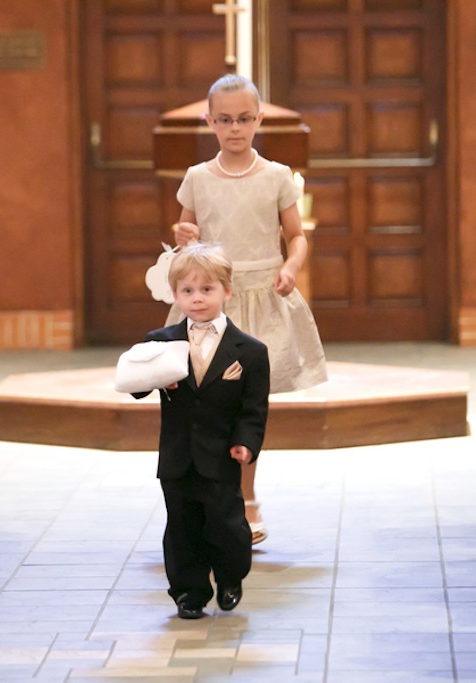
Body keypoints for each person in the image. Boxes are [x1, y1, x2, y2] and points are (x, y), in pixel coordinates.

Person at [170, 74, 327, 544]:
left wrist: (292, 266)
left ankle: (247, 498)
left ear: (258, 119)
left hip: (263, 293)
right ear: (210, 122)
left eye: (243, 119)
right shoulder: (197, 178)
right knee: (204, 407)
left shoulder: (277, 176)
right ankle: (210, 499)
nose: (234, 129)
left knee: (247, 408)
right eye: (224, 120)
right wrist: (183, 236)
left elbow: (296, 235)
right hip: (212, 302)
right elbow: (186, 232)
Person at [132, 243, 270, 619]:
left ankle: (230, 577)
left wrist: (246, 443)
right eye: (187, 292)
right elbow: (136, 385)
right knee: (182, 526)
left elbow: (254, 408)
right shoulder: (161, 341)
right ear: (175, 295)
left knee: (226, 524)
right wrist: (155, 375)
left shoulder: (250, 351)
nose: (197, 299)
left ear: (227, 291)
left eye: (207, 290)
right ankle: (189, 592)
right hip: (177, 455)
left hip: (221, 453)